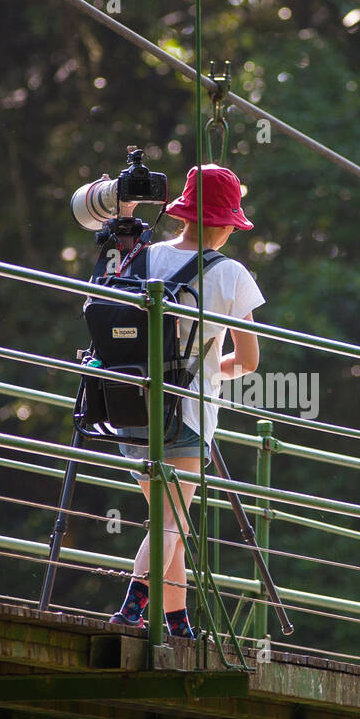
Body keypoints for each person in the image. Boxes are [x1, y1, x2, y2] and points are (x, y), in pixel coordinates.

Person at [108, 164, 264, 639]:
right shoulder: (232, 274)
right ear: (225, 224)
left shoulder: (146, 256)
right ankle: (131, 608)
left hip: (129, 406)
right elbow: (250, 360)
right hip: (189, 412)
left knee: (170, 522)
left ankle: (178, 624)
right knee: (173, 521)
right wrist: (214, 368)